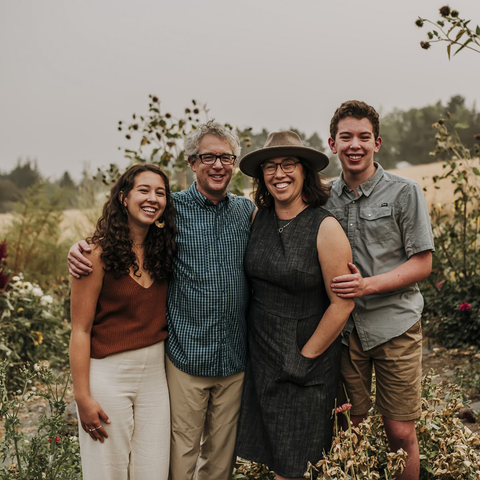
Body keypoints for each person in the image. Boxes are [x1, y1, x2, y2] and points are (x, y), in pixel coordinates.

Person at [68, 120, 256, 480]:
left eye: (226, 158)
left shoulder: (246, 213)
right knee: (175, 465)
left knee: (214, 466)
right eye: (209, 157)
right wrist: (78, 249)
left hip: (232, 357)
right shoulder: (172, 213)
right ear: (191, 163)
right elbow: (119, 237)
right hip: (184, 359)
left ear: (234, 162)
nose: (218, 165)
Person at [236, 131, 354, 479]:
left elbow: (341, 305)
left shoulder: (325, 227)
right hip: (263, 357)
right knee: (276, 460)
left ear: (304, 172)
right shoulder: (258, 218)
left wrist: (305, 358)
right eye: (270, 167)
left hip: (308, 360)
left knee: (297, 464)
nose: (279, 173)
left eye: (288, 164)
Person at [327, 100, 434, 480]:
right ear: (332, 143)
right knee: (347, 429)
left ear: (378, 143)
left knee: (400, 431)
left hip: (395, 326)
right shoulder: (323, 198)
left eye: (363, 137)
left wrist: (365, 285)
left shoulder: (405, 192)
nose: (355, 144)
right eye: (346, 137)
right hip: (344, 331)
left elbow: (422, 263)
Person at [69, 164, 177, 480]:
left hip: (156, 379)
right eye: (143, 190)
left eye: (160, 193)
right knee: (107, 472)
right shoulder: (94, 254)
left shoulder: (165, 249)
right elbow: (80, 330)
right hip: (108, 377)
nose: (152, 198)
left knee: (152, 471)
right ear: (123, 197)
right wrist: (82, 396)